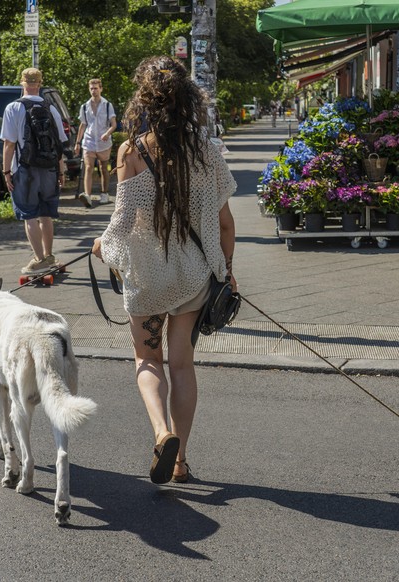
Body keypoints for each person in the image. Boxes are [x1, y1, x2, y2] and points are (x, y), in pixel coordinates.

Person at [92, 56, 237, 485]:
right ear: (188, 99)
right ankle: (181, 461)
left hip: (149, 278)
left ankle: (161, 433)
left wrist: (102, 247)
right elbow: (226, 223)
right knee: (182, 367)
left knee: (146, 359)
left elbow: (122, 222)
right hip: (193, 275)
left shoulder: (131, 152)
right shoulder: (207, 151)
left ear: (145, 101)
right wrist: (226, 270)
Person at [0, 67, 68, 275]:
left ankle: (39, 259)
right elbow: (59, 145)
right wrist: (61, 171)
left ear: (23, 83)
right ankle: (49, 255)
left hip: (25, 170)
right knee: (46, 214)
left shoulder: (13, 108)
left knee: (30, 215)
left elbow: (9, 144)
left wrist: (6, 172)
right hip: (48, 169)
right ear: (39, 84)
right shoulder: (51, 109)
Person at [74, 78, 117, 206]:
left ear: (101, 89)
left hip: (103, 142)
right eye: (91, 88)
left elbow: (113, 124)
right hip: (89, 141)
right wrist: (77, 142)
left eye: (96, 88)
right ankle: (87, 195)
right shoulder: (84, 106)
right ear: (89, 89)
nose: (94, 91)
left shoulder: (107, 105)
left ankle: (104, 193)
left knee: (104, 168)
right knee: (88, 167)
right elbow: (83, 124)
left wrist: (107, 133)